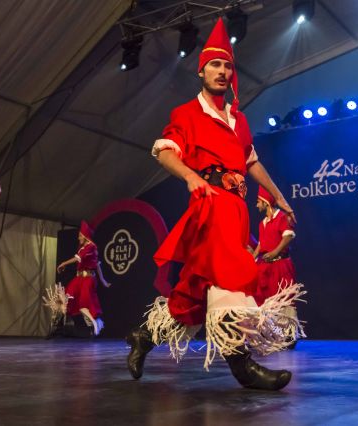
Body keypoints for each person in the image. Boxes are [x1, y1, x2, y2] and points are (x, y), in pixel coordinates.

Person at [126, 18, 304, 391]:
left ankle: (144, 337)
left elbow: (252, 162)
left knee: (194, 294)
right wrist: (190, 176)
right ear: (201, 70)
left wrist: (280, 197)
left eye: (228, 66)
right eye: (215, 65)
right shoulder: (186, 115)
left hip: (236, 212)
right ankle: (243, 367)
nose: (222, 72)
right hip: (211, 207)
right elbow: (164, 150)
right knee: (230, 281)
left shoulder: (238, 121)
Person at [252, 186, 302, 347]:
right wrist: (252, 258)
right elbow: (261, 244)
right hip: (266, 267)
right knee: (267, 300)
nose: (256, 205)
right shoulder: (262, 223)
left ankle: (289, 336)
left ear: (266, 202)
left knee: (284, 299)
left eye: (258, 202)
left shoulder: (281, 217)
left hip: (281, 265)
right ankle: (273, 335)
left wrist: (275, 252)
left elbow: (289, 236)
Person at [56, 221, 110, 336]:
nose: (78, 237)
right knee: (67, 297)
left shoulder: (91, 247)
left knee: (85, 302)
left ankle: (95, 323)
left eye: (80, 235)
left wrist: (64, 263)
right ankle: (60, 324)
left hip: (88, 279)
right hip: (79, 278)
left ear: (85, 236)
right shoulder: (83, 247)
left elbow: (92, 264)